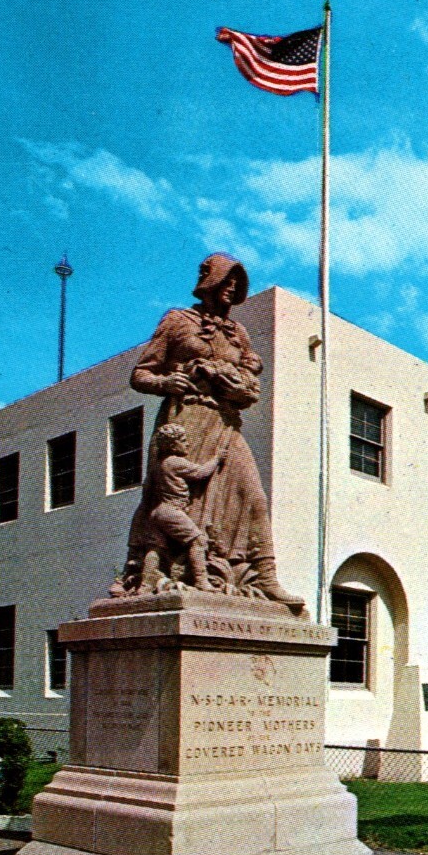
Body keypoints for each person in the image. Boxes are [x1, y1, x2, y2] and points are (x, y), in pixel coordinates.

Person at [112, 253, 302, 606]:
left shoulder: (238, 333)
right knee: (175, 503)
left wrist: (233, 383)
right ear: (210, 281)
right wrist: (167, 381)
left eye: (238, 284)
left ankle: (267, 577)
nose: (232, 289)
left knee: (254, 497)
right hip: (183, 423)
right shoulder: (177, 321)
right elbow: (140, 374)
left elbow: (251, 374)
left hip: (225, 423)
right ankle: (163, 573)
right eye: (227, 281)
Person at [145, 424, 225, 590]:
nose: (187, 444)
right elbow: (200, 473)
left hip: (157, 512)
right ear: (173, 446)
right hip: (171, 510)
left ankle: (144, 584)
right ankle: (202, 581)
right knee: (198, 541)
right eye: (183, 440)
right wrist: (216, 458)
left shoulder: (158, 464)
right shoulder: (175, 462)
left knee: (155, 548)